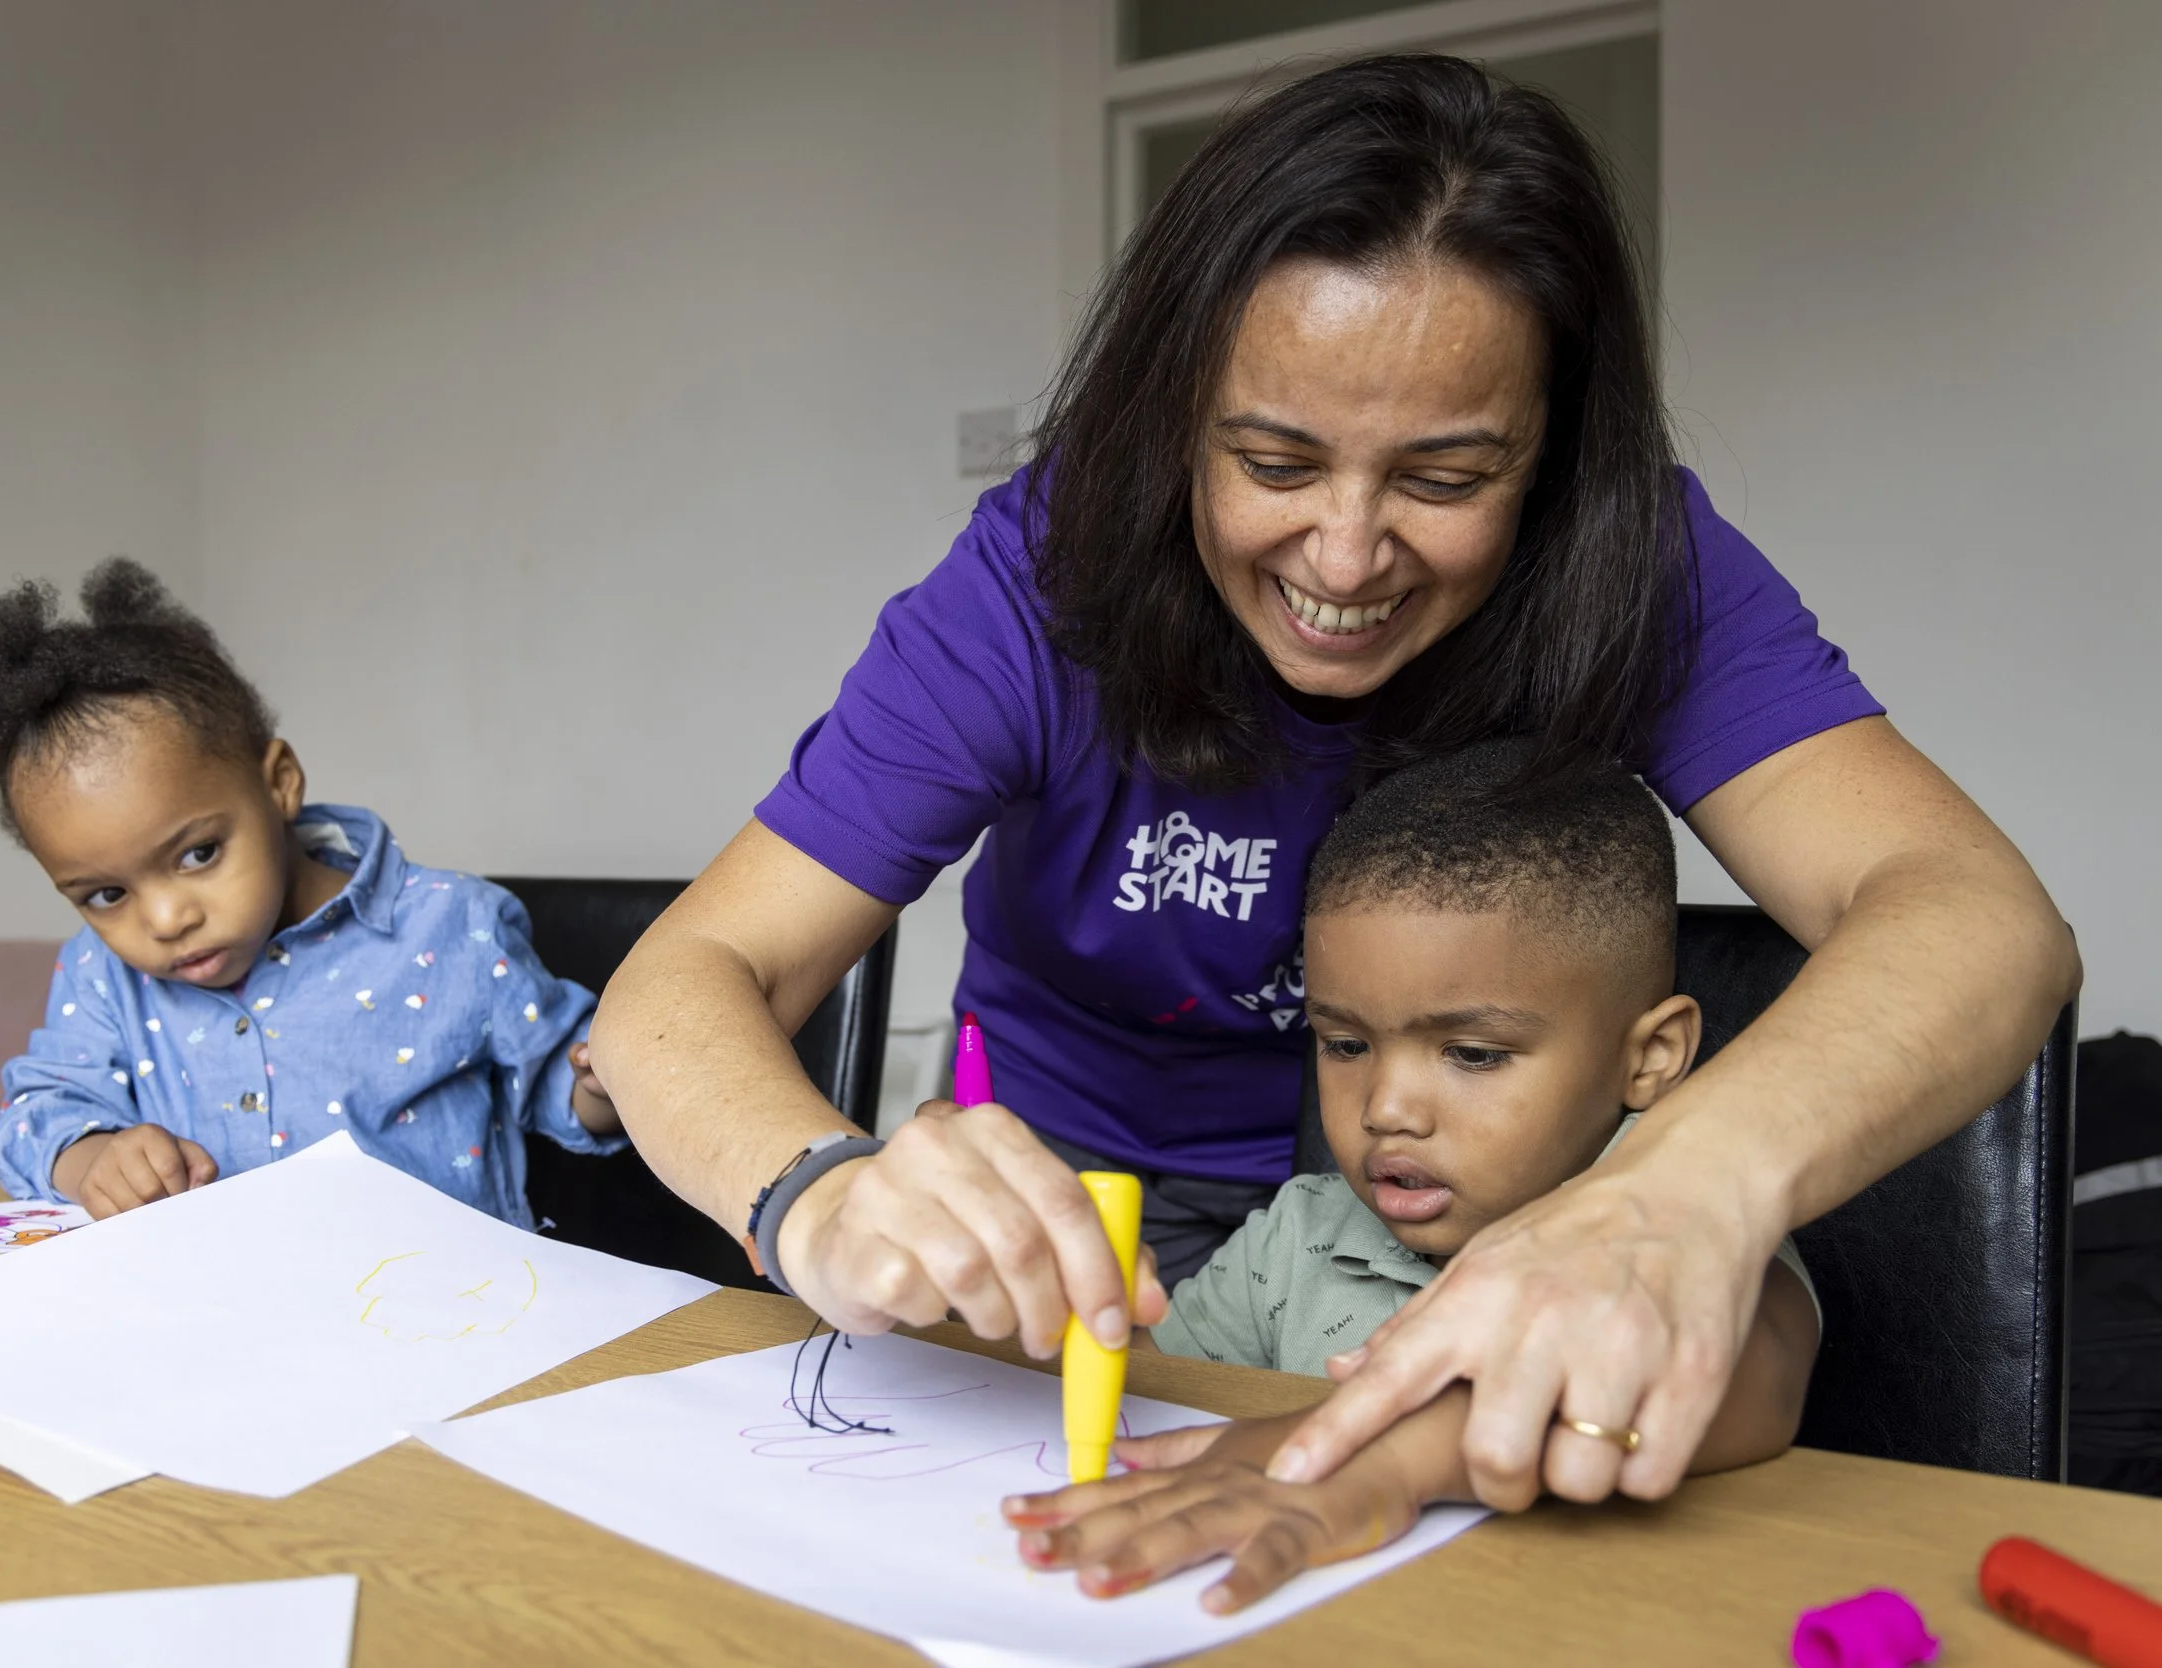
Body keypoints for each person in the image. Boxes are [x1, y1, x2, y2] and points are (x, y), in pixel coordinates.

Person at [590, 52, 2074, 1509]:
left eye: (1443, 481)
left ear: (1552, 463)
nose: (1346, 558)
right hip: (1084, 1222)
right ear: (1175, 422)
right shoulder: (1041, 577)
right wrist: (823, 1200)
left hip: (1490, 1216)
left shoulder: (1632, 569)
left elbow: (1975, 918)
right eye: (1275, 461)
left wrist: (1683, 1188)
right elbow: (691, 978)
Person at [1001, 740, 1819, 1612]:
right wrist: (1063, 1307)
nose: (1386, 1106)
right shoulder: (1300, 1235)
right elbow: (1170, 1405)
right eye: (1344, 1044)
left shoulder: (1685, 1224)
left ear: (1650, 1056)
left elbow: (1753, 1377)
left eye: (1471, 1053)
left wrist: (1398, 1459)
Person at [0, 558, 621, 1224]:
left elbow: (560, 1085)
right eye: (105, 895)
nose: (166, 919)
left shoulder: (450, 926)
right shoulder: (99, 973)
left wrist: (608, 1083)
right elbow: (34, 1113)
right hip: (218, 1316)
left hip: (446, 1312)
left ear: (280, 782)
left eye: (198, 853)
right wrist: (93, 1158)